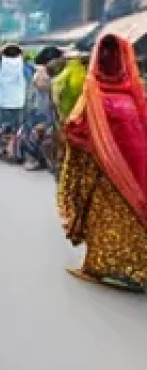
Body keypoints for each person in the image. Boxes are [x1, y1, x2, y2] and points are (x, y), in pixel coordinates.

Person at [57, 33, 147, 292]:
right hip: (137, 167)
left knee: (101, 215)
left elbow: (76, 127)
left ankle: (98, 266)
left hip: (107, 167)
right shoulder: (135, 93)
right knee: (134, 213)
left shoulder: (93, 92)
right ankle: (136, 266)